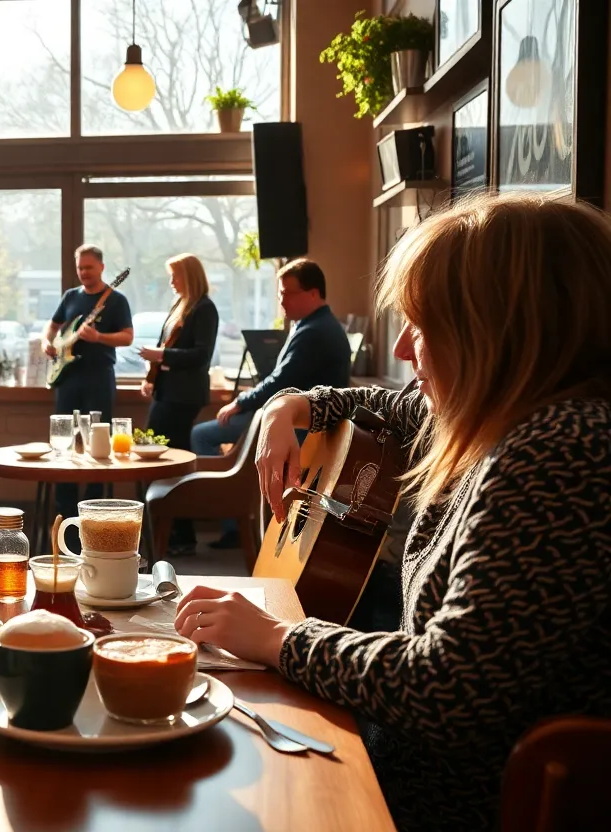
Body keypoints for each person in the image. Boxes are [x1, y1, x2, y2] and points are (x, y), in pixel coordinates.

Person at [173, 192, 611, 832]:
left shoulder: (562, 451)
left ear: (499, 329)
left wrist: (273, 637)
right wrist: (289, 407)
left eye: (422, 324)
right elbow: (382, 408)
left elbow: (450, 689)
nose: (404, 349)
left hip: (445, 805)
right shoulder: (487, 418)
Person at [190, 257, 350, 549]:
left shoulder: (314, 332)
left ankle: (233, 524)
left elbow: (280, 383)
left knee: (202, 434)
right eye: (279, 293)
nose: (281, 300)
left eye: (288, 293)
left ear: (313, 293)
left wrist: (240, 402)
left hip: (303, 427)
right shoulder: (313, 325)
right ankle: (237, 517)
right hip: (299, 419)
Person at [42, 244, 133, 527]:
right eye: (80, 268)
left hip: (99, 375)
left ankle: (97, 510)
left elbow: (128, 337)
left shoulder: (116, 300)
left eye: (89, 268)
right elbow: (53, 325)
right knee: (65, 440)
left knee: (98, 441)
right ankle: (65, 511)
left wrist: (99, 338)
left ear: (102, 268)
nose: (83, 273)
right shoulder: (70, 296)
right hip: (68, 377)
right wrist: (47, 342)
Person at [138, 253, 219, 552]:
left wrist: (160, 356)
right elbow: (168, 348)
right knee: (160, 458)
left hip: (183, 397)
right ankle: (169, 530)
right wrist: (153, 377)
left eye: (175, 275)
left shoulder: (204, 309)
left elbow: (201, 355)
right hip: (168, 392)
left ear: (190, 276)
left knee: (169, 460)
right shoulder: (180, 305)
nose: (171, 282)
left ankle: (178, 533)